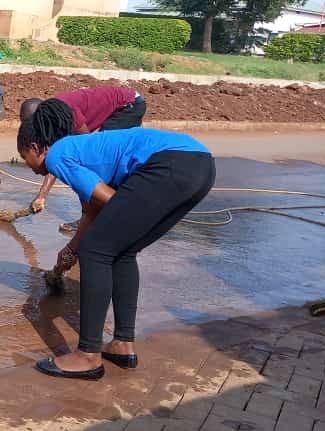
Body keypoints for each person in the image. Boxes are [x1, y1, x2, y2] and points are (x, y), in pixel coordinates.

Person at [16, 122, 214, 380]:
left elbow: (111, 201)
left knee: (94, 251)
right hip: (201, 166)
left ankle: (88, 355)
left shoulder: (57, 155)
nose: (30, 167)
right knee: (123, 250)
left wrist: (84, 246)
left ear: (35, 147)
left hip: (169, 164)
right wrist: (72, 247)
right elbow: (94, 210)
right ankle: (122, 344)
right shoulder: (79, 149)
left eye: (25, 158)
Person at [20, 87, 146, 233]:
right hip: (123, 106)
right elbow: (56, 157)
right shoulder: (53, 120)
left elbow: (87, 149)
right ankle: (99, 215)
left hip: (128, 105)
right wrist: (42, 196)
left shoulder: (66, 113)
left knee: (102, 162)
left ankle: (101, 218)